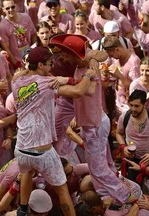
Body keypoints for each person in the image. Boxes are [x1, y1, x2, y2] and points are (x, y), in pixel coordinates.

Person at [50, 34, 141, 207]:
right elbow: (98, 56)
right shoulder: (84, 64)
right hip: (94, 123)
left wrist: (66, 81)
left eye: (65, 53)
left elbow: (88, 90)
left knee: (97, 169)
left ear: (76, 54)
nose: (62, 57)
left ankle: (124, 195)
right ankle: (115, 186)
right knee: (102, 164)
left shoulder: (89, 69)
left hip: (95, 126)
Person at [13, 46, 98, 216]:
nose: (52, 67)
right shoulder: (45, 83)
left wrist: (63, 79)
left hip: (21, 148)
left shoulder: (16, 80)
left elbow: (28, 76)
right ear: (40, 65)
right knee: (62, 190)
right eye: (49, 64)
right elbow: (79, 91)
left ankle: (22, 210)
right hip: (42, 151)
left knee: (26, 173)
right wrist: (89, 74)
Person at [116, 89, 149, 208]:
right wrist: (123, 147)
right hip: (132, 159)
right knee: (134, 189)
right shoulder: (124, 116)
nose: (133, 109)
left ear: (144, 105)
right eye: (131, 105)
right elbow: (119, 133)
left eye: (137, 106)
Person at [0, 0, 36, 70]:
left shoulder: (26, 17)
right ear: (3, 9)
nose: (10, 10)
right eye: (7, 8)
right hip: (18, 62)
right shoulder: (2, 27)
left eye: (12, 7)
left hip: (31, 58)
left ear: (16, 6)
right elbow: (7, 49)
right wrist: (16, 64)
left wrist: (34, 52)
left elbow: (34, 34)